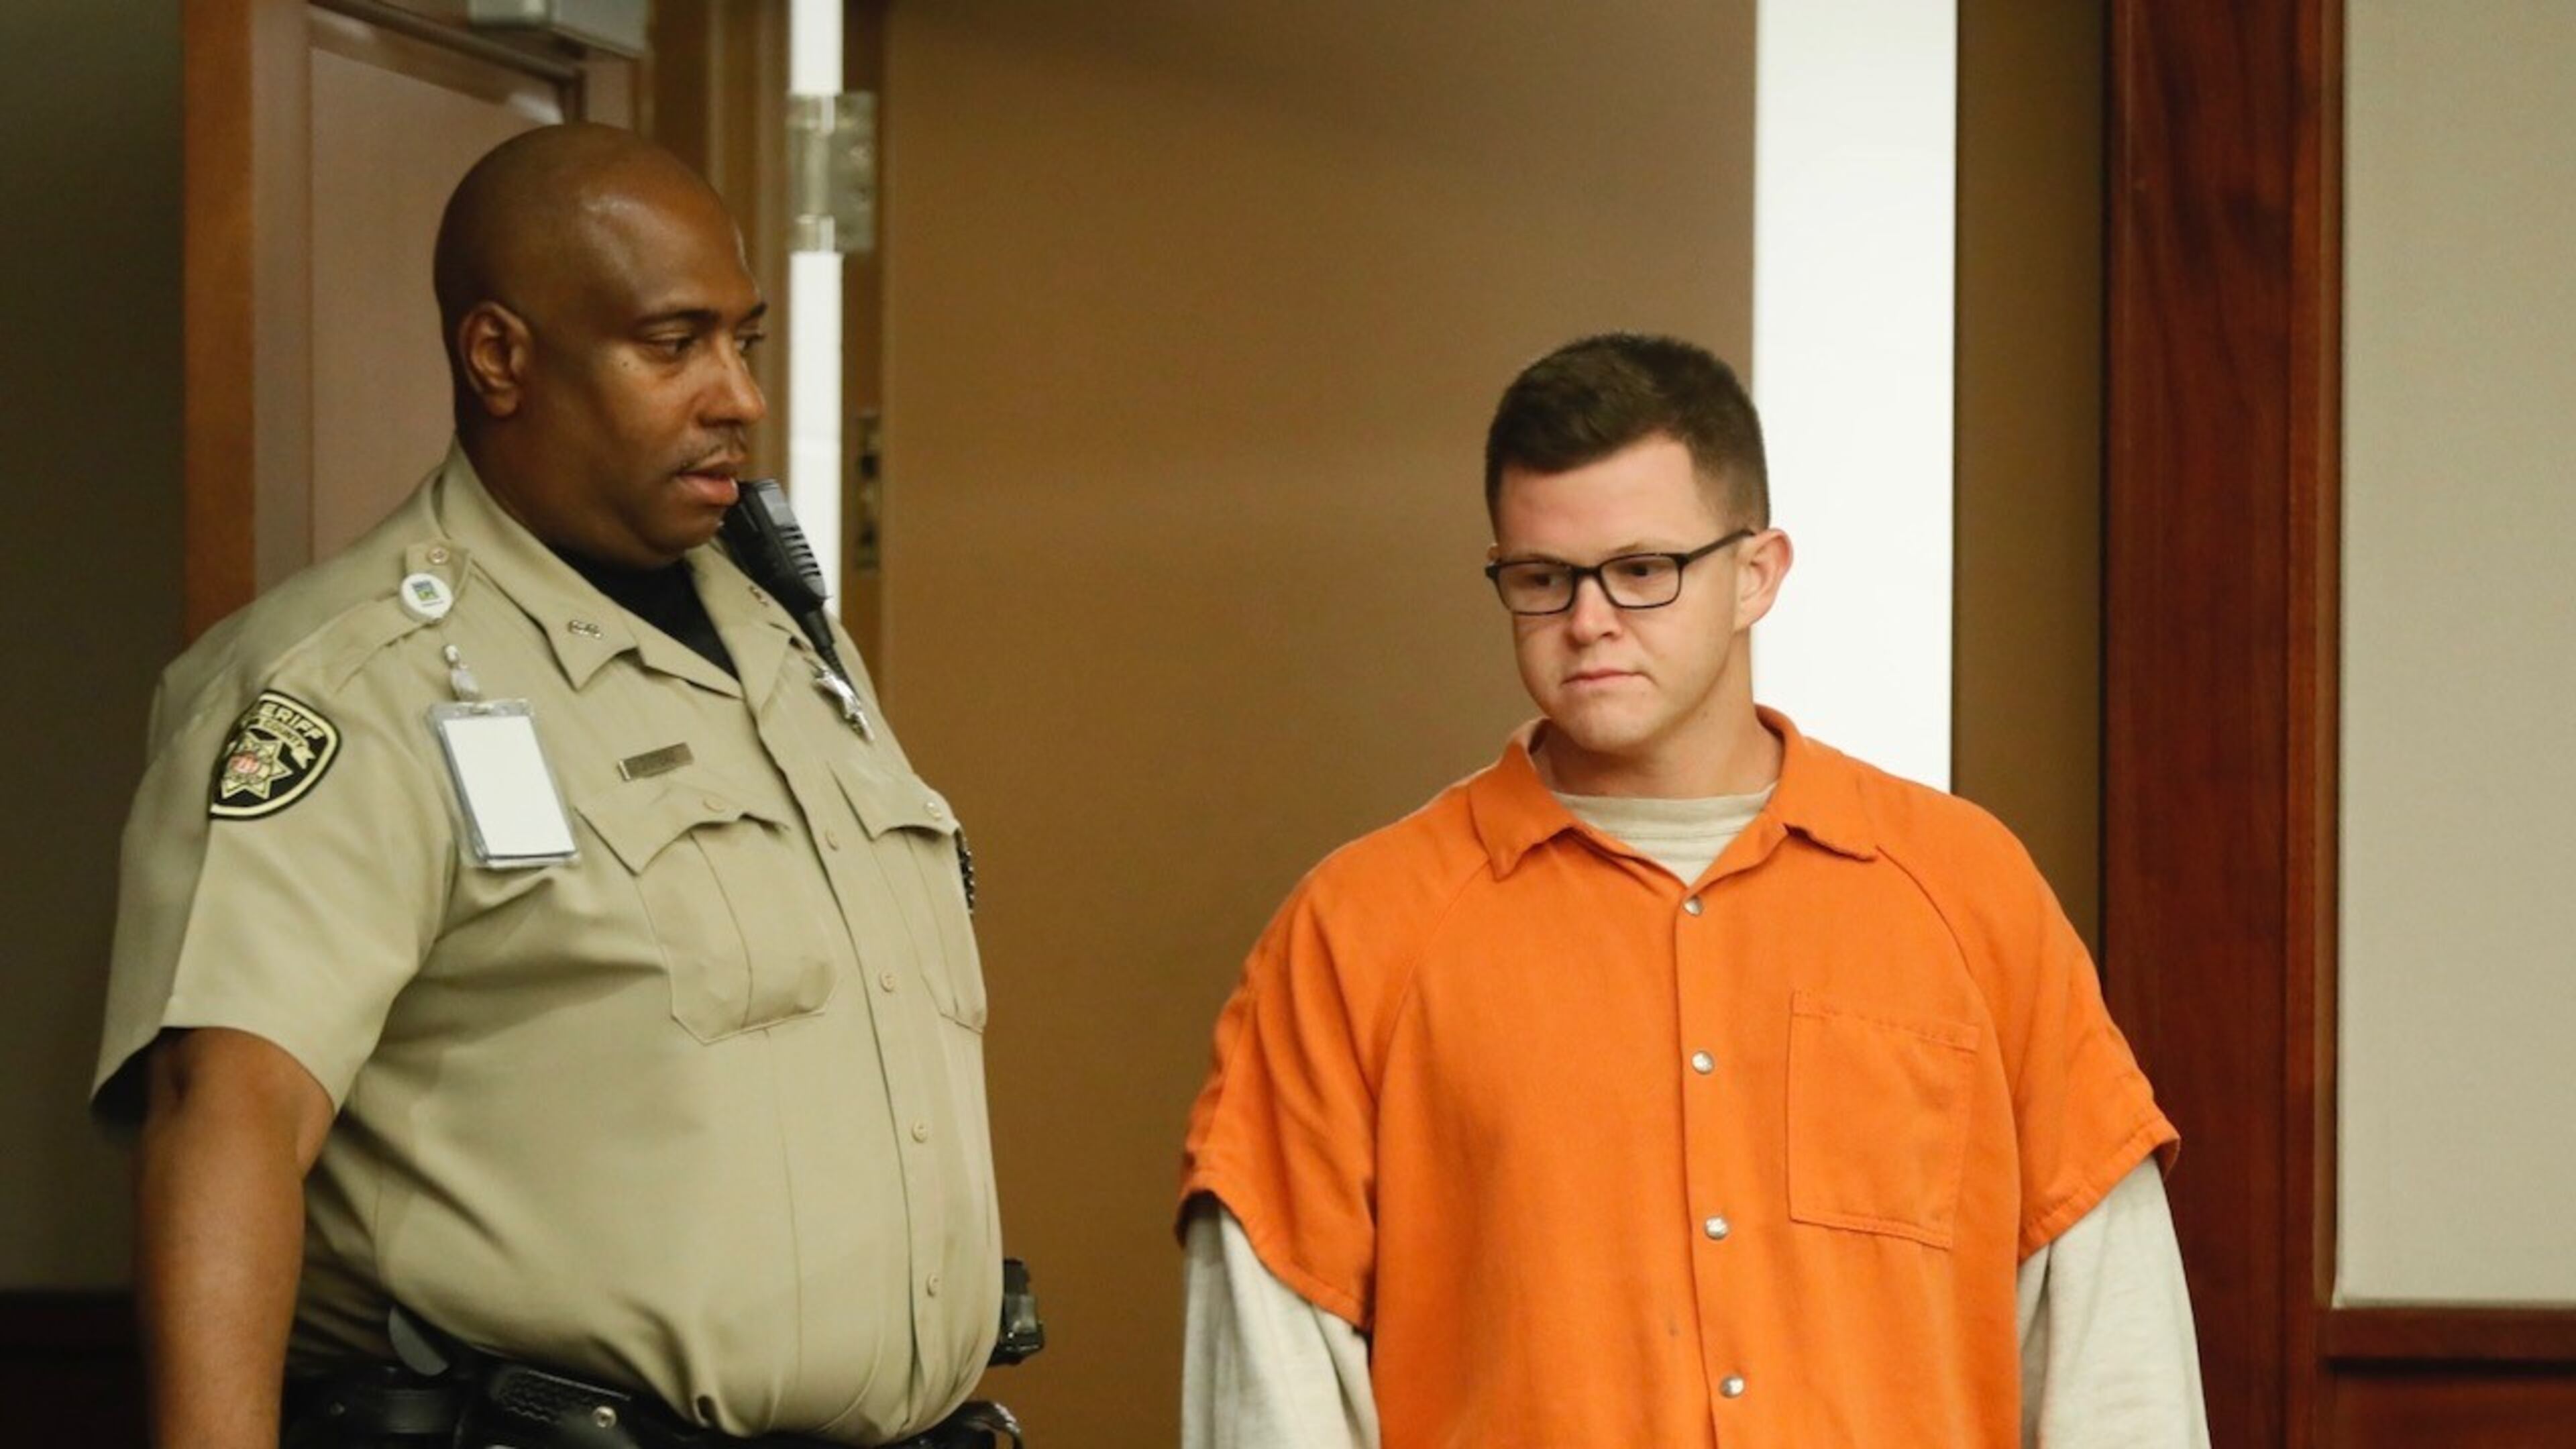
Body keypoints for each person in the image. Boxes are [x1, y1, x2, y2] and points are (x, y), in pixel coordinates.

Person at [95, 124, 1009, 1449]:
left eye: (742, 342)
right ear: (500, 357)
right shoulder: (357, 686)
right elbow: (227, 1120)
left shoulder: (785, 638)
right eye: (671, 343)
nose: (737, 397)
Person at [1177, 334, 2209, 1447]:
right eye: (1541, 579)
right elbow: (1272, 1392)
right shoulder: (1359, 930)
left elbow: (2114, 1356)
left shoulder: (1968, 892)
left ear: (1757, 574)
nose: (1588, 620)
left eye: (1642, 570)